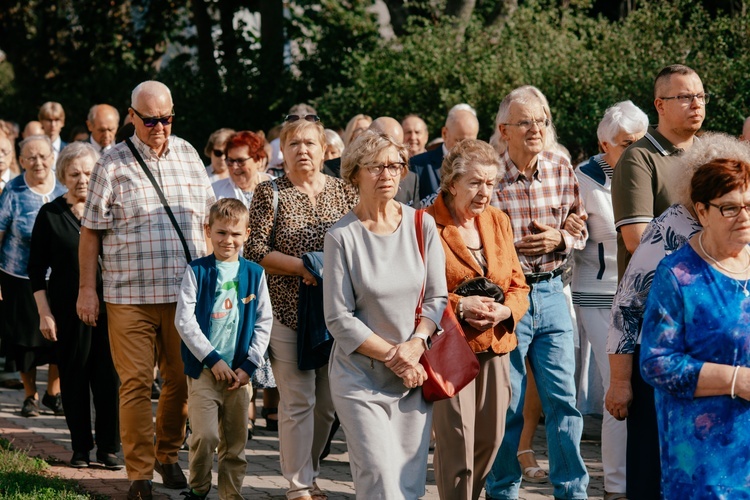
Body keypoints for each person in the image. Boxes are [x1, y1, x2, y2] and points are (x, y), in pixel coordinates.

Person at [77, 80, 216, 500]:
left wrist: (214, 282)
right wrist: (87, 289)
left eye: (166, 118)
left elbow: (209, 224)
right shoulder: (111, 162)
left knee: (180, 380)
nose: (159, 126)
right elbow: (90, 233)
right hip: (128, 295)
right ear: (132, 116)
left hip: (183, 295)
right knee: (136, 382)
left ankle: (167, 454)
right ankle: (138, 475)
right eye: (150, 119)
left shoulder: (190, 154)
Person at [606, 132, 750, 499]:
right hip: (696, 437)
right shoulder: (673, 249)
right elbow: (627, 305)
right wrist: (620, 382)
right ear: (699, 200)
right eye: (729, 204)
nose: (742, 214)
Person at [323, 130, 447, 498]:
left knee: (408, 485)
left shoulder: (421, 224)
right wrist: (397, 356)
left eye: (395, 166)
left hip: (412, 378)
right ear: (355, 173)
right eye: (377, 167)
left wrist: (417, 344)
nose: (388, 175)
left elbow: (437, 298)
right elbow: (338, 317)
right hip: (359, 378)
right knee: (378, 477)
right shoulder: (341, 236)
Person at [486, 85, 589, 500]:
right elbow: (471, 237)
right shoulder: (489, 177)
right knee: (507, 405)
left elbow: (578, 227)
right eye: (525, 121)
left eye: (541, 120)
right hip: (507, 298)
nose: (536, 128)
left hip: (551, 293)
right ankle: (502, 491)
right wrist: (510, 248)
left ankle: (573, 492)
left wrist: (559, 240)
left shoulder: (562, 170)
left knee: (564, 401)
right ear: (503, 129)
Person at [246, 114, 357, 500]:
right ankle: (299, 486)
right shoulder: (269, 192)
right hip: (286, 310)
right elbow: (255, 249)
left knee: (328, 406)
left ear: (325, 150)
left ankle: (307, 470)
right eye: (293, 144)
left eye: (310, 143)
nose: (303, 150)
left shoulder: (344, 192)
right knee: (298, 400)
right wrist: (304, 269)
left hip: (335, 314)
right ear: (283, 152)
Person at [609, 64, 706, 500]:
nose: (695, 104)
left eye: (700, 95)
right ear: (659, 105)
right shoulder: (640, 157)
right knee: (653, 450)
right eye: (684, 96)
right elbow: (638, 238)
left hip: (705, 320)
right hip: (655, 317)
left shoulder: (709, 156)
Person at [425, 139, 529, 500]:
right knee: (457, 442)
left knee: (491, 438)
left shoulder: (498, 221)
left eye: (490, 183)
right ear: (452, 183)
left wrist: (506, 311)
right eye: (475, 183)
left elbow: (518, 284)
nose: (485, 192)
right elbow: (417, 287)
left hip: (497, 345)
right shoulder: (426, 224)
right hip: (449, 346)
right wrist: (461, 305)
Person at [27, 142, 121, 469]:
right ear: (63, 176)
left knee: (110, 379)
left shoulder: (111, 209)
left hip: (112, 308)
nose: (83, 179)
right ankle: (81, 447)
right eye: (74, 173)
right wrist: (45, 313)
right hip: (68, 311)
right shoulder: (50, 215)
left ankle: (109, 447)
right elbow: (35, 270)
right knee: (74, 379)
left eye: (89, 172)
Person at [572, 100, 648, 499]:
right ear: (604, 143)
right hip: (599, 293)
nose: (634, 149)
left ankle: (639, 476)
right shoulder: (583, 178)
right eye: (625, 143)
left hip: (645, 294)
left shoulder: (647, 169)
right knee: (617, 388)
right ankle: (617, 485)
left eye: (639, 140)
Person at [175, 198, 273, 499]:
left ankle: (231, 494)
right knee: (205, 435)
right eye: (220, 233)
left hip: (239, 375)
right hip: (205, 371)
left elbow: (263, 321)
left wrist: (249, 366)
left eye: (235, 234)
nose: (227, 240)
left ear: (246, 233)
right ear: (208, 230)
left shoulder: (254, 273)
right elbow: (184, 320)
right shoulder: (197, 271)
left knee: (235, 442)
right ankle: (199, 486)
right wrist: (212, 358)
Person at [0, 135, 66, 418]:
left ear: (52, 157)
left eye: (43, 156)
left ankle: (54, 392)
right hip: (20, 276)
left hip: (61, 276)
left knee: (60, 339)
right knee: (25, 341)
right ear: (22, 160)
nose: (38, 162)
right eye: (31, 157)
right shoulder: (13, 191)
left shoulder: (63, 185)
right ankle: (30, 396)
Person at [411, 104, 480, 201]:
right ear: (444, 133)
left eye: (471, 142)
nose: (465, 147)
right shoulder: (418, 166)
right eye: (459, 141)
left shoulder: (480, 168)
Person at [212, 131, 273, 208]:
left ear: (258, 161)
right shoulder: (215, 191)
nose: (234, 167)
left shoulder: (278, 189)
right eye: (230, 161)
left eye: (241, 161)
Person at [38, 101, 67, 167]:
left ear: (62, 122)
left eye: (56, 120)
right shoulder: (34, 149)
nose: (53, 124)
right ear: (41, 121)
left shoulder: (69, 150)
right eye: (49, 120)